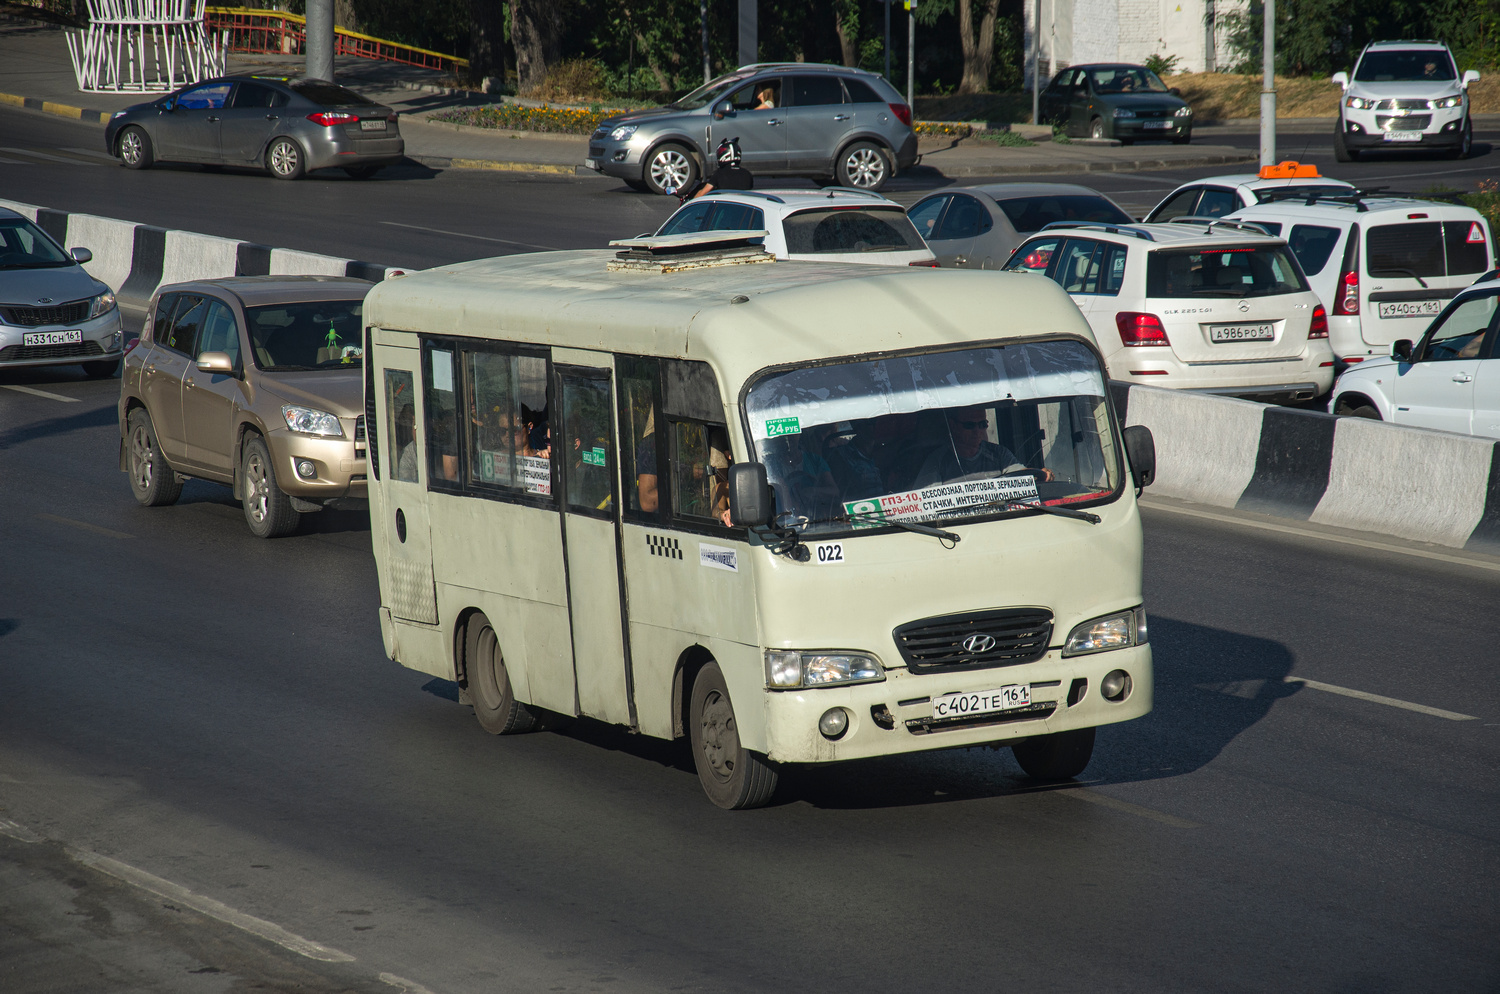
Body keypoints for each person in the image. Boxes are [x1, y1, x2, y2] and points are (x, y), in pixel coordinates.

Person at [912, 405, 1054, 488]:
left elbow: (1021, 473)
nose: (977, 431)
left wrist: (1040, 474)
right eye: (970, 425)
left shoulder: (999, 454)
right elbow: (925, 499)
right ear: (953, 426)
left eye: (982, 425)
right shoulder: (937, 461)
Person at [688, 137, 753, 200]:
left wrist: (690, 203)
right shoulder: (747, 174)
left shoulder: (719, 174)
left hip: (725, 209)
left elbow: (702, 193)